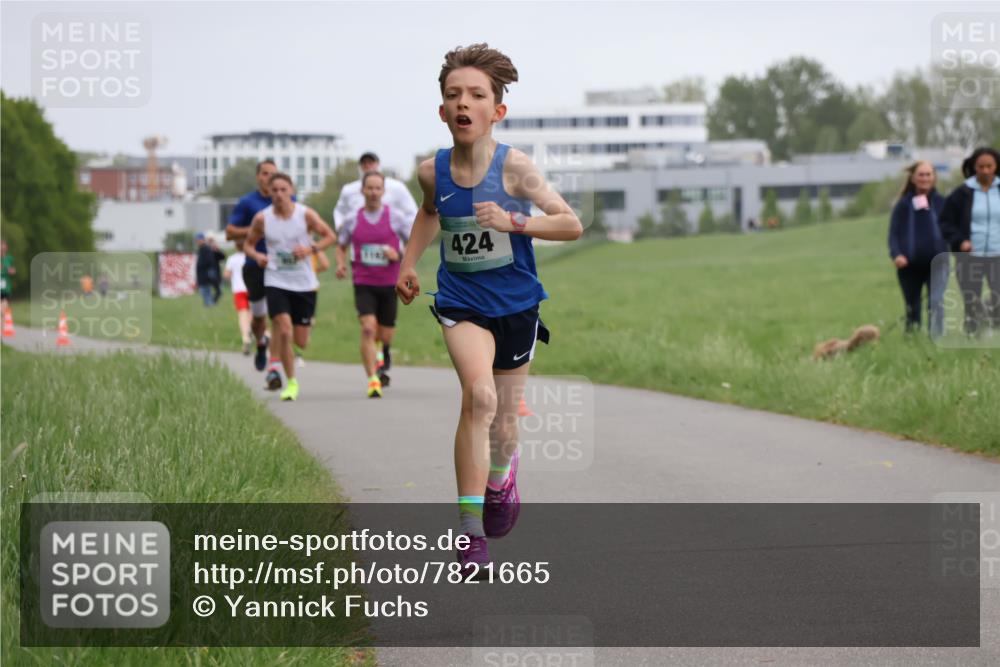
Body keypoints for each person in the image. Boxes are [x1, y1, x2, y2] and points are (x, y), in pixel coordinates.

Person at [395, 44, 582, 576]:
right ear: (442, 110)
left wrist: (514, 222)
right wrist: (408, 263)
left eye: (477, 95)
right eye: (454, 94)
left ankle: (502, 476)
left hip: (518, 303)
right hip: (461, 302)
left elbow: (569, 223)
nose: (464, 102)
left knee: (503, 422)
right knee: (477, 398)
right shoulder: (432, 171)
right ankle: (470, 533)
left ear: (496, 111)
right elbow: (430, 215)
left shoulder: (515, 167)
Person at [243, 173, 336, 401]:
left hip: (304, 284)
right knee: (283, 329)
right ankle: (291, 382)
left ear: (291, 190)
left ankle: (292, 355)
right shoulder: (262, 219)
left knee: (300, 340)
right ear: (269, 193)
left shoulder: (305, 215)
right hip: (276, 280)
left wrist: (310, 250)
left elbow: (330, 236)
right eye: (274, 190)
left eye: (284, 190)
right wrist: (257, 256)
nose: (279, 194)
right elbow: (248, 245)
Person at [334, 152, 418, 375]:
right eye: (369, 188)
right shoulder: (352, 218)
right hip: (363, 281)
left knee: (385, 333)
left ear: (383, 191)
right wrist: (341, 264)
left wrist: (399, 254)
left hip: (390, 281)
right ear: (362, 191)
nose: (373, 192)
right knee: (369, 328)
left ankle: (383, 351)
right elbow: (340, 245)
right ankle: (373, 377)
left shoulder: (396, 217)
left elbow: (414, 241)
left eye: (377, 189)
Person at [226, 159, 280, 381]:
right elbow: (229, 233)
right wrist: (256, 228)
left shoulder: (288, 200)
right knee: (259, 319)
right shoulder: (248, 202)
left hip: (281, 268)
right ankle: (260, 342)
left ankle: (274, 366)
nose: (269, 178)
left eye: (273, 174)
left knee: (280, 318)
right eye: (265, 174)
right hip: (254, 266)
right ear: (258, 177)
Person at [940, 147, 1000, 335]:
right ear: (974, 167)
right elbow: (945, 222)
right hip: (969, 256)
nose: (985, 171)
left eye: (989, 166)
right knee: (971, 299)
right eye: (981, 166)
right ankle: (974, 335)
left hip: (997, 254)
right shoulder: (962, 193)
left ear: (996, 166)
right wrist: (960, 241)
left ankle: (993, 328)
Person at [887, 161, 948, 337]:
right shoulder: (903, 205)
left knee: (936, 303)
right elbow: (893, 234)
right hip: (909, 265)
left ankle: (936, 339)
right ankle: (912, 339)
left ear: (934, 177)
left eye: (928, 174)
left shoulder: (941, 202)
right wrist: (896, 254)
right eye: (921, 174)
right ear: (913, 178)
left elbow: (950, 230)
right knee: (912, 306)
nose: (925, 178)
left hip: (937, 263)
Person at [224, 240, 253, 354]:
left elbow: (226, 275)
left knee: (242, 315)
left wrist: (231, 277)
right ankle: (250, 331)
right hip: (251, 288)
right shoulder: (251, 256)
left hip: (238, 290)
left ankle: (246, 338)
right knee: (251, 314)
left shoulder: (232, 259)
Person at [195, 233, 224, 307]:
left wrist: (217, 249)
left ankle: (211, 304)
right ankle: (210, 304)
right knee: (206, 290)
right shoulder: (203, 249)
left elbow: (222, 257)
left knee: (217, 290)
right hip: (206, 274)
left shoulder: (209, 249)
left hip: (212, 273)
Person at [1, 239, 14, 312]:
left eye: (3, 245)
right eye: (1, 245)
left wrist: (9, 270)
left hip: (5, 288)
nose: (2, 247)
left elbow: (13, 270)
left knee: (2, 310)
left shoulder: (9, 258)